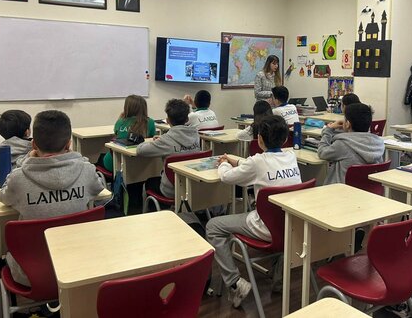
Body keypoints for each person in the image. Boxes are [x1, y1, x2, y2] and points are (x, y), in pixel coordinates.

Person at [0, 110, 106, 286]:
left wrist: (24, 162)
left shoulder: (18, 178)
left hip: (30, 274)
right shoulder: (86, 170)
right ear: (69, 144)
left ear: (33, 145)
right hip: (80, 267)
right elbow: (99, 188)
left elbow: (3, 197)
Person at [206, 115, 301, 308]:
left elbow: (226, 177)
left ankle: (234, 284)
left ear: (259, 139)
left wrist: (224, 163)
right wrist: (236, 162)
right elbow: (257, 165)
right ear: (285, 139)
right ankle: (279, 279)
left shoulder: (257, 162)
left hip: (265, 228)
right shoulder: (291, 156)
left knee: (213, 226)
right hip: (292, 226)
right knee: (278, 220)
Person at [137, 99, 201, 200]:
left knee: (148, 182)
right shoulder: (196, 135)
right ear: (187, 119)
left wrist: (154, 142)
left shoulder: (165, 140)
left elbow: (140, 150)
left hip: (171, 191)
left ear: (167, 120)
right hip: (193, 186)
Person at [317, 103, 384, 184]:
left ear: (348, 124)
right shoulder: (378, 144)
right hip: (368, 190)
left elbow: (322, 152)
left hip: (341, 189)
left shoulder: (342, 144)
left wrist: (328, 129)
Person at [102, 95, 155, 172]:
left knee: (100, 158)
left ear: (127, 107)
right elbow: (152, 138)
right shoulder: (150, 122)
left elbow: (116, 133)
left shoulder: (121, 121)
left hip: (116, 162)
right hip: (141, 164)